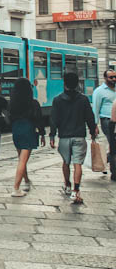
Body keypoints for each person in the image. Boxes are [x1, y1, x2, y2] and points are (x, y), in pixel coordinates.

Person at [51, 72, 98, 204]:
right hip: (79, 136)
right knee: (78, 164)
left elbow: (54, 119)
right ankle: (76, 191)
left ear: (64, 83)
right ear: (78, 83)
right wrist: (93, 131)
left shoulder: (57, 100)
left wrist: (52, 135)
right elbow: (90, 117)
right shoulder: (83, 99)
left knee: (65, 162)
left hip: (64, 137)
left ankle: (67, 185)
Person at [9, 77, 44, 197]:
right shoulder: (33, 103)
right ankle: (16, 188)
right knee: (23, 161)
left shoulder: (12, 104)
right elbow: (39, 120)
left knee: (21, 159)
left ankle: (27, 181)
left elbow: (9, 118)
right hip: (28, 130)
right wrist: (42, 134)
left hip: (16, 130)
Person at [92, 69, 116, 175]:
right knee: (113, 143)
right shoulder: (99, 91)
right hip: (107, 121)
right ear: (105, 78)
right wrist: (95, 125)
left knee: (113, 144)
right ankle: (113, 170)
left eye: (115, 77)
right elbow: (95, 109)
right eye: (111, 77)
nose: (114, 79)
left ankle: (105, 161)